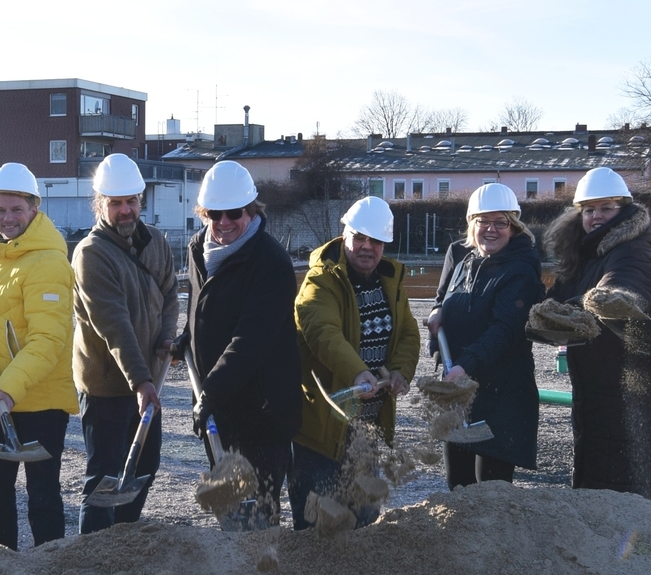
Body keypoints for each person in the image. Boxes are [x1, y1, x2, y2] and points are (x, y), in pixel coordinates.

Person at [544, 166, 651, 506]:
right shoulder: (586, 254)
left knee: (634, 487)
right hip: (598, 388)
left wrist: (591, 304)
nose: (597, 216)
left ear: (624, 210)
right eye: (589, 210)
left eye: (606, 208)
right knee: (601, 483)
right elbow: (557, 300)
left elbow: (620, 289)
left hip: (633, 390)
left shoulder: (634, 250)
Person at [181, 160, 302, 528]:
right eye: (214, 213)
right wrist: (185, 337)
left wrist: (209, 394)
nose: (223, 222)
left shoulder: (272, 264)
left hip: (262, 414)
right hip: (219, 407)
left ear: (251, 210)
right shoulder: (198, 248)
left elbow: (250, 341)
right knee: (230, 511)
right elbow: (201, 308)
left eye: (234, 213)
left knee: (259, 519)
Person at [290, 196, 420, 529]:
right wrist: (357, 371)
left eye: (375, 241)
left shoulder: (390, 282)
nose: (367, 247)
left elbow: (407, 334)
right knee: (318, 526)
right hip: (322, 428)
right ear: (344, 234)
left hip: (366, 431)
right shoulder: (320, 281)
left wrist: (401, 372)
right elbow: (324, 333)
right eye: (359, 237)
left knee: (363, 521)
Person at [72, 154, 178, 534]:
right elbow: (112, 323)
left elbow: (170, 296)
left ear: (141, 199)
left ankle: (125, 542)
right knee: (105, 477)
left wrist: (166, 335)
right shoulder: (91, 253)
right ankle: (92, 553)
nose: (125, 210)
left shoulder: (157, 243)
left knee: (146, 467)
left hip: (147, 381)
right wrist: (140, 381)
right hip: (107, 388)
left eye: (131, 201)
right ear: (100, 204)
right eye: (115, 203)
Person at [0, 163, 78, 550]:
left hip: (39, 401)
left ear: (34, 207)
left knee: (42, 496)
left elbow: (47, 340)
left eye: (16, 209)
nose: (7, 218)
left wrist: (9, 388)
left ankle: (49, 570)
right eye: (0, 210)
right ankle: (0, 569)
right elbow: (2, 317)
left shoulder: (48, 262)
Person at [426, 183, 544, 488]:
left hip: (501, 395)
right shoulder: (463, 258)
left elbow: (505, 330)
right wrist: (439, 311)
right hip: (461, 394)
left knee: (492, 495)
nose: (491, 229)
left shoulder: (520, 270)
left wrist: (465, 365)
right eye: (483, 221)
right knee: (459, 488)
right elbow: (445, 299)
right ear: (471, 223)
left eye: (500, 222)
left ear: (513, 226)